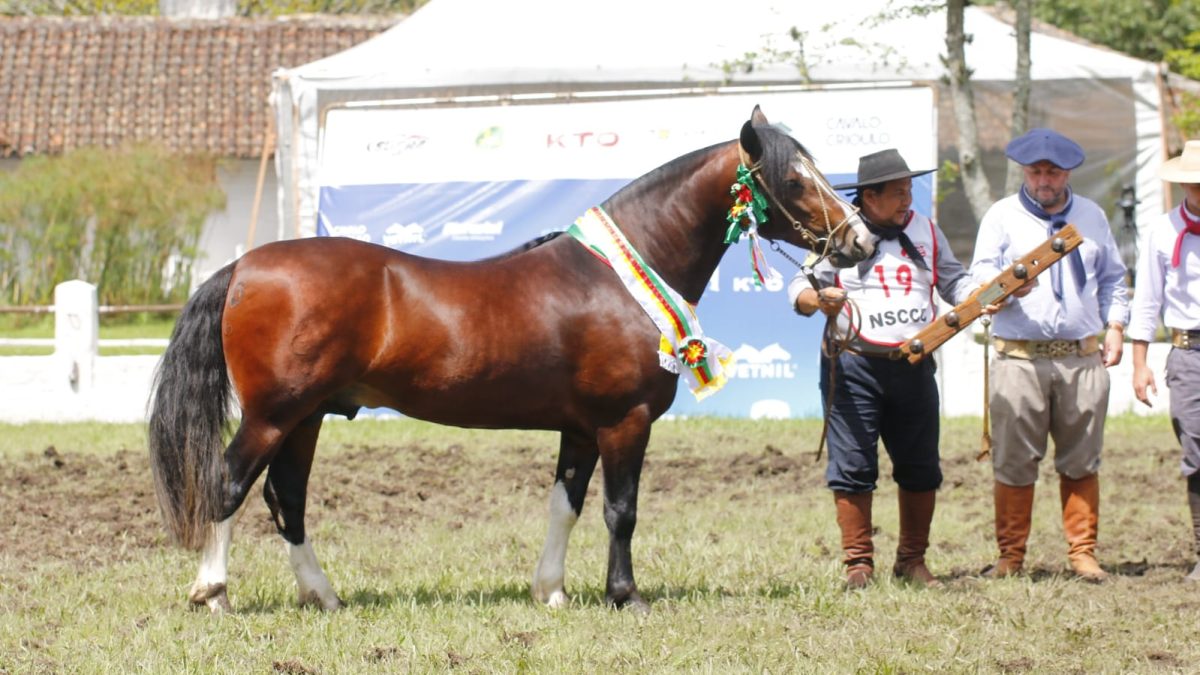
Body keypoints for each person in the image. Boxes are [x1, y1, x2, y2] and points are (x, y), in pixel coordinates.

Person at [789, 148, 977, 589]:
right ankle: (858, 564)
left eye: (909, 190)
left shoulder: (927, 230)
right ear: (869, 197)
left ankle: (912, 561)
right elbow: (800, 287)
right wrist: (819, 301)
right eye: (897, 193)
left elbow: (953, 279)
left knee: (921, 465)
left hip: (914, 362)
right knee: (852, 465)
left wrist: (981, 295)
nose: (906, 200)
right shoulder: (836, 231)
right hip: (853, 366)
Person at [970, 128, 1129, 582]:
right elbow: (981, 282)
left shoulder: (1093, 216)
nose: (1044, 180)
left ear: (1068, 173)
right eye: (1036, 171)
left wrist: (1116, 325)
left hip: (1081, 357)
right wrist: (1002, 288)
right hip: (1019, 356)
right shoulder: (1001, 217)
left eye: (1053, 172)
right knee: (1014, 460)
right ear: (1024, 171)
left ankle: (1082, 552)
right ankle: (1011, 555)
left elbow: (1115, 279)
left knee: (1082, 458)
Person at [1129, 140, 1200, 581]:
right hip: (1188, 351)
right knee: (1196, 449)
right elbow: (1147, 300)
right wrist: (1140, 362)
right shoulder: (1161, 231)